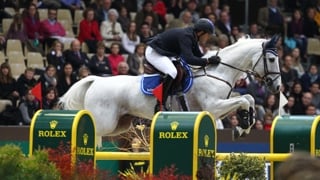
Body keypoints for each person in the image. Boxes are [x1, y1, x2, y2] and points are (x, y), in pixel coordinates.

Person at [145, 18, 221, 113]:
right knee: (172, 71)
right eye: (208, 35)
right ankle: (160, 104)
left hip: (166, 53)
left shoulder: (193, 37)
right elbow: (189, 59)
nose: (208, 38)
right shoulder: (186, 36)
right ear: (201, 32)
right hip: (154, 51)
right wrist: (208, 60)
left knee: (181, 70)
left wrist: (211, 60)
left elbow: (198, 56)